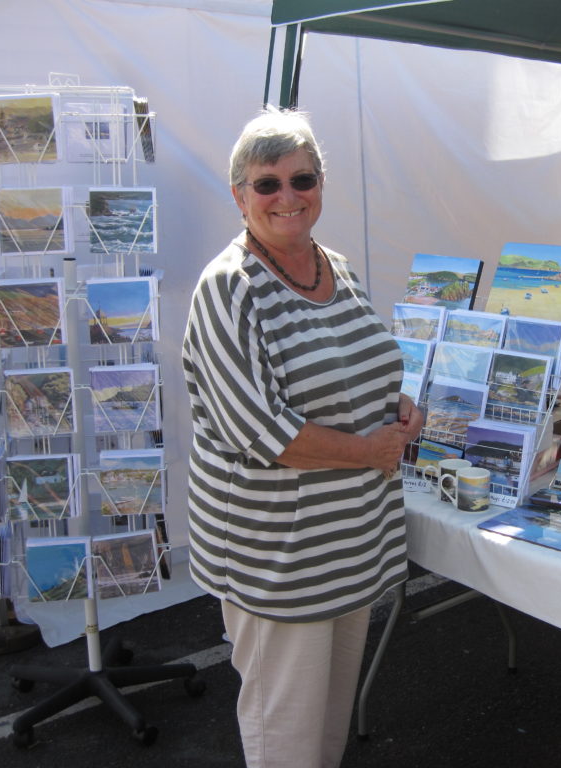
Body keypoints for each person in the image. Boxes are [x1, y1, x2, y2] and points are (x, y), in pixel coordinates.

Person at [182, 106, 424, 768]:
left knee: (325, 723)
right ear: (240, 196)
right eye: (267, 184)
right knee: (285, 731)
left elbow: (356, 363)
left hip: (347, 545)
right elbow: (265, 431)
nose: (288, 197)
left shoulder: (333, 266)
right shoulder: (229, 288)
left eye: (303, 178)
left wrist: (396, 406)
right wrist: (373, 450)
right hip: (280, 560)